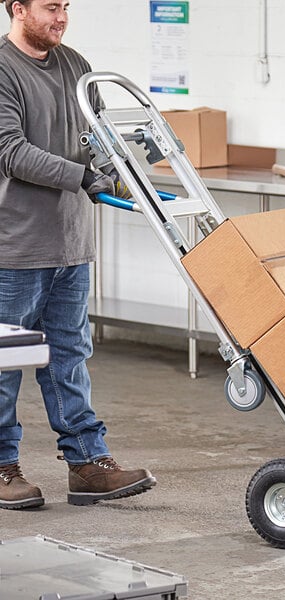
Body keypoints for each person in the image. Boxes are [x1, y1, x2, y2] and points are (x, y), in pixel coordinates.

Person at [0, 0, 156, 509]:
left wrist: (113, 164)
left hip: (71, 244)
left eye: (65, 7)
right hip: (15, 248)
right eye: (50, 8)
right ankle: (2, 468)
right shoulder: (3, 69)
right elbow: (11, 150)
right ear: (17, 8)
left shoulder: (76, 66)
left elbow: (99, 135)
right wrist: (81, 175)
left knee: (69, 359)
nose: (61, 18)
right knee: (4, 365)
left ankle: (87, 465)